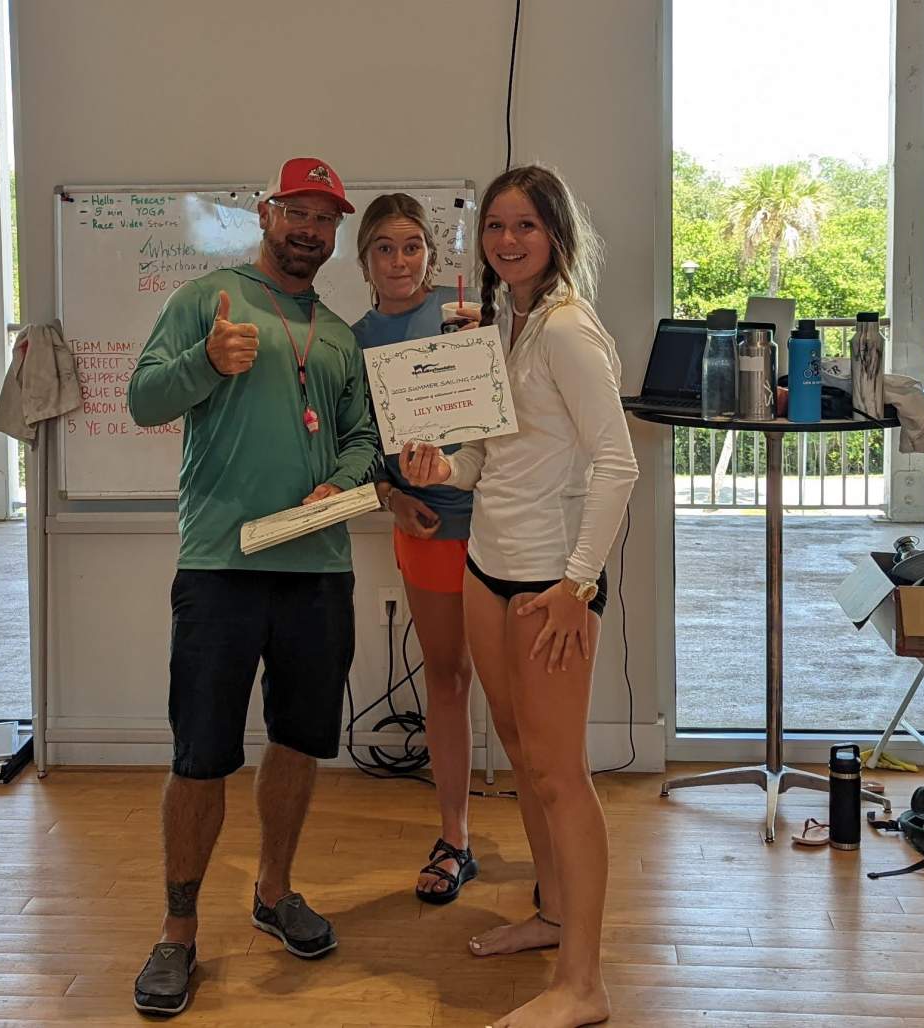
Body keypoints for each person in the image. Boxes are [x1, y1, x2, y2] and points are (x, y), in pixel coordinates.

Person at [126, 156, 379, 1017]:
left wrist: (334, 486)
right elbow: (143, 400)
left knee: (301, 742)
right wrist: (204, 359)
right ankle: (177, 932)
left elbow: (361, 436)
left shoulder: (341, 335)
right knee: (200, 754)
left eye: (326, 218)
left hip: (318, 567)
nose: (310, 229)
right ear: (267, 212)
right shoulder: (210, 301)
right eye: (297, 212)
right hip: (220, 567)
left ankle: (274, 894)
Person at [402, 164, 638, 1028]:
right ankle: (550, 917)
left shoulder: (570, 331)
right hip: (486, 568)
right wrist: (444, 466)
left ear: (556, 235)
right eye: (496, 226)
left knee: (557, 773)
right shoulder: (507, 325)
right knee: (520, 753)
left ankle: (584, 985)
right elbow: (491, 454)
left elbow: (619, 465)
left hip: (549, 583)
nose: (506, 241)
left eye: (524, 227)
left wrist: (579, 584)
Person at [349, 193, 480, 904]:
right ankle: (455, 837)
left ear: (431, 253)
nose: (399, 261)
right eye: (384, 249)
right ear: (364, 258)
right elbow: (358, 442)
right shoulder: (354, 337)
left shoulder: (467, 315)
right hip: (425, 525)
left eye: (411, 247)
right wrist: (393, 497)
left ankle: (554, 848)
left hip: (497, 524)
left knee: (519, 689)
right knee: (448, 678)